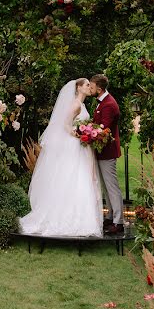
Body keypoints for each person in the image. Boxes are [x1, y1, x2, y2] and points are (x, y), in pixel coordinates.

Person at [19, 79, 103, 237]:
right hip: (75, 145)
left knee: (80, 179)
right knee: (74, 178)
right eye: (86, 85)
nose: (88, 87)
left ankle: (82, 220)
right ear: (78, 88)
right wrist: (78, 134)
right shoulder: (76, 104)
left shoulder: (82, 105)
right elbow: (65, 124)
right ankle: (68, 219)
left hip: (81, 146)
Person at [89, 74, 124, 235]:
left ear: (99, 88)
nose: (90, 88)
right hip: (102, 151)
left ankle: (118, 221)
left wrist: (87, 133)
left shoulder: (109, 104)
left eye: (92, 85)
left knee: (111, 186)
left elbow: (104, 130)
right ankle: (110, 216)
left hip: (107, 151)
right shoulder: (102, 103)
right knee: (106, 186)